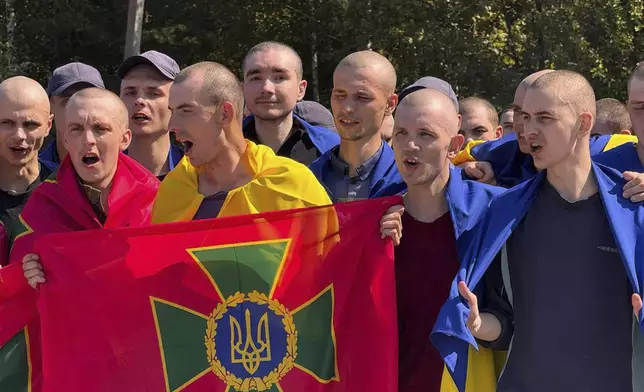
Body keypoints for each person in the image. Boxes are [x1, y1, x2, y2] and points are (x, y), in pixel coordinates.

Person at [433, 70, 644, 392]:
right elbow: (502, 323)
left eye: (545, 118)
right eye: (525, 117)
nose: (529, 130)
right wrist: (475, 323)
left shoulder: (632, 207)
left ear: (584, 124)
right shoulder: (505, 211)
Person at [391, 88, 504, 392]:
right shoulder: (376, 222)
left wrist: (481, 325)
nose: (409, 145)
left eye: (425, 134)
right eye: (400, 133)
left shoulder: (492, 212)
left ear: (454, 146)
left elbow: (519, 319)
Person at [152, 61, 332, 223]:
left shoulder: (292, 185)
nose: (171, 125)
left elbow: (326, 257)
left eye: (185, 111)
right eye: (172, 111)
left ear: (224, 114)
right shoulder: (174, 189)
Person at [18, 88, 159, 287]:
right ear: (65, 139)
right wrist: (27, 276)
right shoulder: (44, 205)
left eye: (100, 128)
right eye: (76, 129)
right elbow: (16, 297)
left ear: (125, 139)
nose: (88, 140)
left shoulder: (156, 199)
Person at [453, 69, 638, 187]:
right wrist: (470, 168)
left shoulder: (603, 150)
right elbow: (452, 160)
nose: (524, 125)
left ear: (582, 124)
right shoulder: (504, 152)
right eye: (521, 113)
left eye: (544, 117)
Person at [308, 51, 405, 202]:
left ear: (390, 104)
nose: (347, 108)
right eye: (340, 95)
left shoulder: (407, 183)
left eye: (362, 97)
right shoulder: (309, 179)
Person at [241, 41, 339, 165]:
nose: (266, 88)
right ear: (242, 89)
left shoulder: (332, 151)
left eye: (279, 78)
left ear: (300, 89)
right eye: (256, 78)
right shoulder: (219, 149)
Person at [0, 77, 56, 266]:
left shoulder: (66, 189)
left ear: (48, 126)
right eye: (7, 123)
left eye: (30, 124)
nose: (19, 136)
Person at [118, 50, 184, 180]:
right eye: (130, 92)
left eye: (154, 93)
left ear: (177, 105)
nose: (139, 101)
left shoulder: (198, 176)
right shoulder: (102, 176)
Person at [40, 62, 105, 164]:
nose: (79, 113)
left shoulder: (124, 170)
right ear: (49, 105)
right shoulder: (34, 172)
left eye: (89, 101)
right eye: (68, 101)